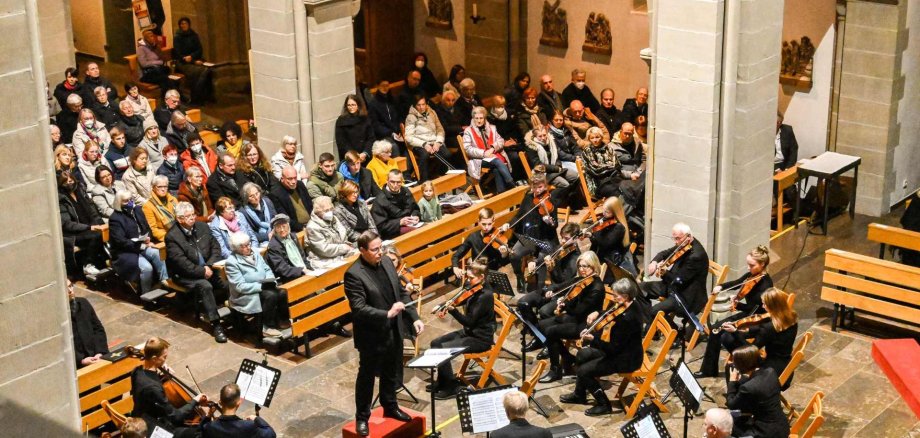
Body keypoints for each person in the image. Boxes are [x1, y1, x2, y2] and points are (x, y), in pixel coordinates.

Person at [343, 231, 424, 436]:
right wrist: (386, 313)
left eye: (381, 248)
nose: (380, 252)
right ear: (362, 250)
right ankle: (362, 417)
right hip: (372, 335)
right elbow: (358, 308)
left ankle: (390, 405)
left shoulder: (388, 262)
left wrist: (414, 317)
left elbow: (401, 293)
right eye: (375, 249)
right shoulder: (354, 274)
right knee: (367, 378)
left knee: (391, 370)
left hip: (393, 330)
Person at [560, 278, 644, 416]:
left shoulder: (628, 319)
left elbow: (612, 349)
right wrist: (598, 312)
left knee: (583, 371)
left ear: (626, 296)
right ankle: (579, 394)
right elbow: (610, 312)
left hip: (626, 359)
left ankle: (604, 404)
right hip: (621, 351)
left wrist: (593, 339)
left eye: (616, 295)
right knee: (582, 355)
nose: (614, 298)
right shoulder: (628, 305)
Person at [697, 288, 798, 385]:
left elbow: (751, 351)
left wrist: (736, 332)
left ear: (773, 306)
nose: (763, 307)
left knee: (731, 366)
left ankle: (736, 398)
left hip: (771, 369)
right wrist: (739, 329)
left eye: (764, 304)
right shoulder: (792, 318)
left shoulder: (769, 328)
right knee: (728, 338)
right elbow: (763, 330)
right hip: (785, 363)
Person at [429, 258, 496, 399]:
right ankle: (443, 381)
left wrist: (453, 311)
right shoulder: (473, 287)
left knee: (443, 349)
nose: (467, 280)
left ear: (481, 277)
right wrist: (442, 305)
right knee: (435, 343)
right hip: (469, 333)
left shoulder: (485, 296)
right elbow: (459, 298)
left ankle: (450, 387)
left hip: (480, 338)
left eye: (471, 277)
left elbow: (469, 322)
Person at [538, 251, 605, 384]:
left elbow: (579, 311)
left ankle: (555, 370)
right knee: (542, 325)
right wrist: (563, 301)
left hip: (584, 325)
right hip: (575, 318)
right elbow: (574, 301)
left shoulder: (596, 288)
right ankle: (567, 357)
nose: (581, 269)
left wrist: (565, 305)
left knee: (550, 331)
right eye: (580, 266)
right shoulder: (581, 280)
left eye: (586, 266)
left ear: (594, 267)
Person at [165, 202, 229, 343]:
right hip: (183, 275)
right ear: (179, 219)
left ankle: (235, 316)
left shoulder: (202, 226)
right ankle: (216, 324)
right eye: (188, 216)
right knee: (205, 286)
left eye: (193, 214)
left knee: (227, 284)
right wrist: (202, 271)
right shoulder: (172, 236)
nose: (192, 218)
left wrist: (209, 265)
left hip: (207, 268)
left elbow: (215, 247)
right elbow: (181, 263)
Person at [517, 222, 583, 353]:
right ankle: (539, 336)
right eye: (562, 237)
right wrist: (534, 263)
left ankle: (548, 341)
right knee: (523, 303)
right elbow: (543, 260)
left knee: (544, 311)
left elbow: (565, 283)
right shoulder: (559, 248)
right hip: (551, 290)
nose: (563, 241)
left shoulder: (575, 259)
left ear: (575, 238)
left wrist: (551, 269)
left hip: (562, 294)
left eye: (566, 238)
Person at [130, 337, 212, 436]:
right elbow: (175, 416)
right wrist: (195, 400)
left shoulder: (137, 371)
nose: (165, 360)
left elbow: (147, 386)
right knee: (200, 433)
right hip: (151, 427)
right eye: (164, 357)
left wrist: (161, 375)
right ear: (154, 358)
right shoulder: (153, 388)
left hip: (139, 415)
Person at [641, 222, 710, 327]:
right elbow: (664, 253)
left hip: (685, 296)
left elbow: (680, 281)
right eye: (674, 239)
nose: (676, 242)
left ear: (689, 236)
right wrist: (654, 262)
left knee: (654, 311)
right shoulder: (683, 244)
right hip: (672, 286)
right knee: (638, 289)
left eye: (678, 238)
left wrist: (664, 273)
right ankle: (652, 329)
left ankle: (674, 332)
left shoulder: (696, 256)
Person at [502, 172, 560, 292]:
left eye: (541, 187)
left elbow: (555, 225)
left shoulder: (551, 200)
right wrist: (509, 223)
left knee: (542, 259)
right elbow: (519, 215)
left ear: (545, 186)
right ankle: (519, 277)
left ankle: (540, 288)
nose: (538, 190)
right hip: (529, 237)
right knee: (513, 255)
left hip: (546, 238)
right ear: (531, 187)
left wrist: (549, 222)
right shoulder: (528, 198)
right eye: (535, 187)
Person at [224, 232, 289, 338]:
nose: (248, 247)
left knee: (282, 292)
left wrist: (271, 280)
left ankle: (282, 320)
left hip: (264, 285)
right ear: (236, 249)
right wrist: (260, 287)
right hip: (245, 294)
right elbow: (239, 286)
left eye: (248, 244)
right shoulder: (232, 262)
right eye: (243, 246)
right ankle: (267, 327)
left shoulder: (255, 251)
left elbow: (266, 268)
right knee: (270, 296)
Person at [725, 344, 790, 438]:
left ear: (741, 365)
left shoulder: (748, 388)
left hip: (767, 433)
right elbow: (758, 386)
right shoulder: (771, 371)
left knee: (726, 425)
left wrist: (732, 381)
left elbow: (731, 404)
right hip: (782, 425)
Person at [110, 191, 169, 293]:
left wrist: (149, 239)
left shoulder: (137, 210)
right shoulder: (115, 218)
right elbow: (120, 241)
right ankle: (146, 292)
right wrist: (140, 245)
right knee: (147, 268)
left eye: (130, 200)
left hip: (142, 244)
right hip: (125, 251)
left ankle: (164, 281)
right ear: (119, 202)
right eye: (125, 201)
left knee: (157, 253)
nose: (129, 203)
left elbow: (147, 227)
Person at [58, 171, 109, 278]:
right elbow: (67, 224)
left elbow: (93, 211)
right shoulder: (61, 199)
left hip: (89, 226)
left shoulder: (80, 192)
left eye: (71, 180)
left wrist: (101, 224)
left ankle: (108, 260)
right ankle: (88, 264)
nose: (69, 183)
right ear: (61, 184)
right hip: (73, 233)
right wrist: (89, 227)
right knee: (96, 236)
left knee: (109, 230)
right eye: (66, 182)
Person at [462, 106, 514, 193]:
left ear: (485, 118)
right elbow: (468, 149)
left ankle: (501, 194)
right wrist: (484, 153)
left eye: (481, 118)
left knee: (497, 169)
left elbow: (500, 140)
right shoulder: (468, 131)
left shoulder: (492, 128)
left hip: (492, 156)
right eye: (476, 118)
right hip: (478, 159)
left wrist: (492, 148)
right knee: (496, 161)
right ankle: (512, 185)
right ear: (473, 118)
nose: (479, 120)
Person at [583, 197, 636, 276]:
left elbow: (605, 243)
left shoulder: (619, 227)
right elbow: (598, 240)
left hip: (610, 263)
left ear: (615, 212)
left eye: (607, 212)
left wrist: (592, 235)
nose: (603, 214)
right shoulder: (605, 220)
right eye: (603, 210)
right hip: (601, 255)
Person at [201, 383, 277, 438]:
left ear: (220, 402)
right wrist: (256, 418)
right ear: (239, 403)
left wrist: (208, 416)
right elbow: (270, 434)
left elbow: (199, 431)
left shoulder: (210, 427)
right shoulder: (249, 426)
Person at [451, 208, 510, 277]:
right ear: (478, 222)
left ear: (493, 222)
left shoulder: (497, 237)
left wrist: (504, 254)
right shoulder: (473, 237)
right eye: (484, 224)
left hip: (492, 274)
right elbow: (456, 256)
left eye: (489, 224)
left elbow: (503, 262)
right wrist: (455, 267)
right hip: (476, 273)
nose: (486, 227)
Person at [405, 95, 451, 182]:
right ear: (415, 105)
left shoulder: (432, 113)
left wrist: (438, 142)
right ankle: (424, 181)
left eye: (423, 104)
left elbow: (440, 129)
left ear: (426, 104)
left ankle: (435, 174)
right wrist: (424, 144)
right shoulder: (410, 117)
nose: (421, 107)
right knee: (425, 155)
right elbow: (408, 137)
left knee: (447, 154)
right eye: (419, 105)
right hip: (419, 143)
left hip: (434, 141)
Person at [68, 279, 109, 367]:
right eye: (66, 289)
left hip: (97, 356)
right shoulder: (59, 316)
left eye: (70, 286)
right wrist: (80, 360)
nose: (70, 291)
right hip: (77, 364)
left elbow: (98, 329)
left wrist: (100, 352)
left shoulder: (83, 303)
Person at [173, 17, 214, 105]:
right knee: (201, 71)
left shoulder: (194, 35)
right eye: (181, 24)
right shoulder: (177, 37)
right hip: (183, 62)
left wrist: (192, 57)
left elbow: (199, 49)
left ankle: (208, 96)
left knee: (209, 70)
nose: (183, 25)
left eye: (185, 23)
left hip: (194, 59)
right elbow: (178, 53)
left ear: (189, 24)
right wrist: (192, 61)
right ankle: (196, 98)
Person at [307, 196, 357, 265]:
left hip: (340, 253)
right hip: (324, 259)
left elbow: (343, 235)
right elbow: (323, 249)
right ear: (318, 212)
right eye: (326, 210)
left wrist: (346, 245)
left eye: (331, 209)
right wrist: (343, 248)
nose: (330, 212)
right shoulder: (312, 227)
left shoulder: (334, 218)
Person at [373, 170, 421, 240]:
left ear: (402, 181)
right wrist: (399, 222)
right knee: (416, 233)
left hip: (411, 224)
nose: (395, 185)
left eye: (398, 182)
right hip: (393, 232)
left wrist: (415, 215)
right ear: (387, 180)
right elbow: (380, 226)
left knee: (429, 228)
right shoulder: (380, 200)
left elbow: (415, 208)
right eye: (392, 182)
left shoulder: (406, 191)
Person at [265, 214, 313, 283]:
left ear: (288, 226)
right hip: (289, 277)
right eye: (278, 227)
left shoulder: (293, 237)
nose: (282, 230)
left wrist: (309, 268)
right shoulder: (273, 246)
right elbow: (282, 269)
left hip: (303, 271)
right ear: (275, 230)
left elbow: (303, 257)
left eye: (284, 226)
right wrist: (301, 270)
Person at [580, 126, 621, 199]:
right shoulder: (587, 151)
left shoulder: (609, 148)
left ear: (601, 137)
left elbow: (616, 164)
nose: (595, 140)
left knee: (626, 187)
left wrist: (604, 166)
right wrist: (608, 165)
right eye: (592, 138)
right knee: (616, 192)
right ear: (589, 139)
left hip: (613, 178)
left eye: (597, 137)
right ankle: (618, 209)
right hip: (597, 183)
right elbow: (595, 170)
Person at [270, 166, 313, 233]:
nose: (293, 181)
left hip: (311, 223)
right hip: (296, 229)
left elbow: (310, 205)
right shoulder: (276, 194)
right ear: (282, 178)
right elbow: (285, 218)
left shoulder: (300, 185)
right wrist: (302, 228)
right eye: (289, 179)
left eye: (295, 178)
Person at [136, 30, 178, 95]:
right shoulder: (141, 48)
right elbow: (143, 64)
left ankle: (165, 99)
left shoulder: (155, 46)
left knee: (165, 76)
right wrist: (158, 62)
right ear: (145, 38)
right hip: (146, 74)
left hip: (157, 71)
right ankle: (178, 95)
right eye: (149, 37)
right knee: (166, 79)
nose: (152, 38)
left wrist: (158, 49)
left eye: (152, 36)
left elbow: (163, 59)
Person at [367, 80, 405, 153]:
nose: (385, 88)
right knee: (394, 147)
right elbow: (376, 125)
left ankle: (407, 164)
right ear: (378, 86)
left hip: (397, 132)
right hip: (382, 135)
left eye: (387, 85)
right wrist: (391, 133)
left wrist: (399, 129)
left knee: (407, 144)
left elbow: (399, 116)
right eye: (382, 85)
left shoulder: (393, 100)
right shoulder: (373, 104)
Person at [335, 94, 375, 160]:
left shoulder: (365, 118)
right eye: (349, 105)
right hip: (350, 157)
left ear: (358, 105)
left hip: (364, 155)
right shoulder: (341, 121)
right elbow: (341, 142)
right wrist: (354, 155)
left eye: (353, 105)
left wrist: (365, 153)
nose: (351, 107)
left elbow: (371, 138)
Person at [143, 175, 179, 243]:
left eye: (165, 186)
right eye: (159, 186)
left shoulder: (173, 200)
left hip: (180, 233)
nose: (163, 189)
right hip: (166, 238)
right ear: (153, 187)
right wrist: (171, 238)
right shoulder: (148, 206)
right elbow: (154, 230)